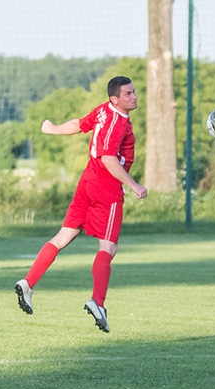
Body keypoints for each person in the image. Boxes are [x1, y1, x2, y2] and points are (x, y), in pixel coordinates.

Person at [14, 76, 148, 333]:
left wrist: (52, 129)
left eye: (134, 92)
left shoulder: (103, 110)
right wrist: (134, 185)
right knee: (108, 247)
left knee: (62, 237)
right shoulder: (118, 123)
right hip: (106, 190)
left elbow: (79, 124)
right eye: (128, 94)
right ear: (115, 99)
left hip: (86, 182)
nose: (134, 96)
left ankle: (28, 283)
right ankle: (98, 302)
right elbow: (109, 158)